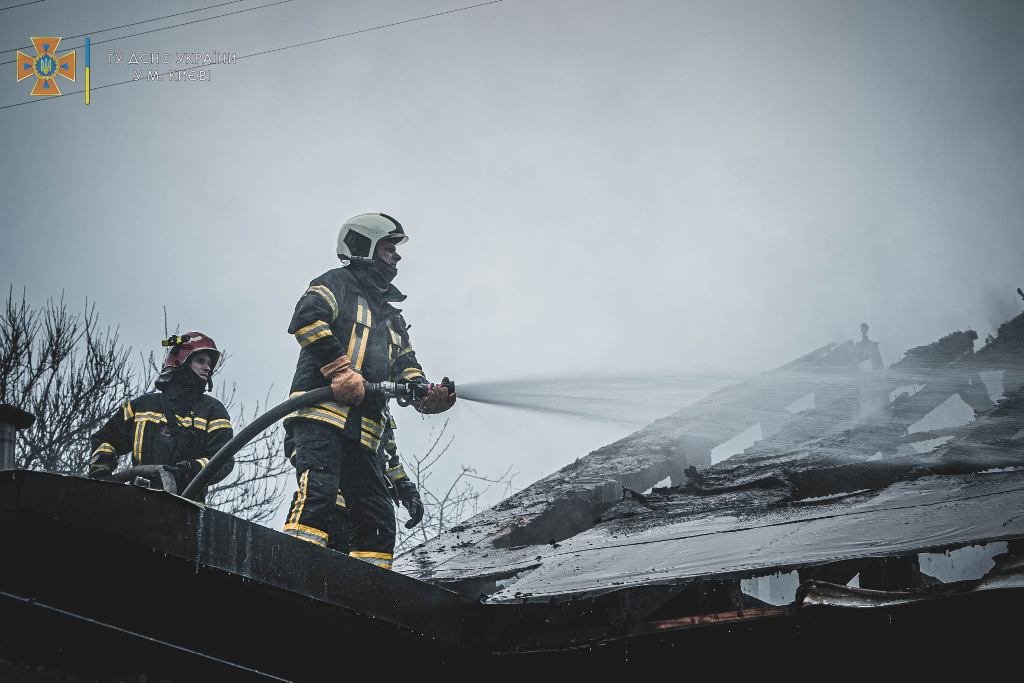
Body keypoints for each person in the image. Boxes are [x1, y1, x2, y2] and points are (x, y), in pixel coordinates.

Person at [282, 212, 453, 569]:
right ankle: (291, 572)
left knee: (377, 518)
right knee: (319, 495)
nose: (397, 256)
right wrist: (340, 370)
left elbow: (406, 365)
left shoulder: (392, 317)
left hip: (366, 432)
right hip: (320, 419)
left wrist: (425, 393)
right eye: (389, 247)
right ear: (365, 246)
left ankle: (365, 596)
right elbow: (307, 319)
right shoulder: (337, 283)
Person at [87, 332, 235, 500]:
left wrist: (186, 471)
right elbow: (106, 441)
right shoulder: (142, 406)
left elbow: (223, 459)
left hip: (186, 508)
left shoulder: (213, 411)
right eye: (200, 361)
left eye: (209, 363)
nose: (207, 367)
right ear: (182, 361)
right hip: (137, 501)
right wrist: (101, 475)